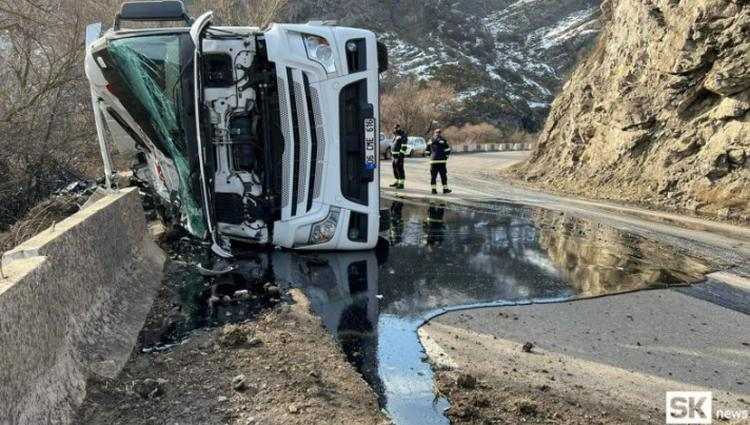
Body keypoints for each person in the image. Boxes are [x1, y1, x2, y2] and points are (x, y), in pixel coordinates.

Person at [425, 128, 452, 194]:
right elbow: (448, 150)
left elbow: (427, 151)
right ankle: (445, 189)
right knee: (443, 175)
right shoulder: (443, 140)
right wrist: (446, 157)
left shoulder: (430, 140)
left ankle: (433, 190)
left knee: (433, 176)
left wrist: (430, 157)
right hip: (442, 161)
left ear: (434, 133)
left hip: (433, 161)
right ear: (440, 133)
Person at [389, 125, 409, 189]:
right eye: (394, 128)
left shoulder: (403, 135)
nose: (395, 129)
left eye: (397, 128)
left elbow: (404, 146)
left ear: (399, 128)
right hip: (394, 156)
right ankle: (397, 181)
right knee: (395, 169)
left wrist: (400, 155)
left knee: (400, 169)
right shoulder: (395, 135)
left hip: (399, 156)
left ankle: (401, 184)